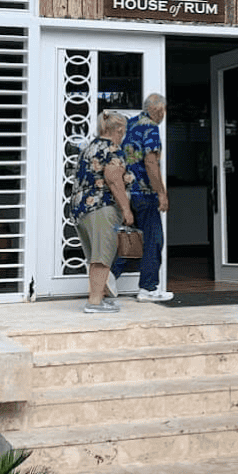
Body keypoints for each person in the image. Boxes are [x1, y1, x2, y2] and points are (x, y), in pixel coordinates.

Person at [71, 109, 134, 313]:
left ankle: (99, 297)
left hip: (82, 208)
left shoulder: (90, 147)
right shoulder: (112, 149)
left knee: (95, 255)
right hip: (101, 207)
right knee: (102, 256)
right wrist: (126, 209)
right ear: (120, 128)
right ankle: (94, 302)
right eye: (124, 128)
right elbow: (114, 181)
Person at [111, 93, 173, 301]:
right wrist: (161, 193)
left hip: (129, 193)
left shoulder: (131, 124)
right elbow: (151, 163)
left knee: (130, 238)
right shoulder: (151, 128)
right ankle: (148, 288)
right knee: (153, 240)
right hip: (146, 194)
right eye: (163, 110)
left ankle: (106, 279)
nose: (164, 115)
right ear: (158, 110)